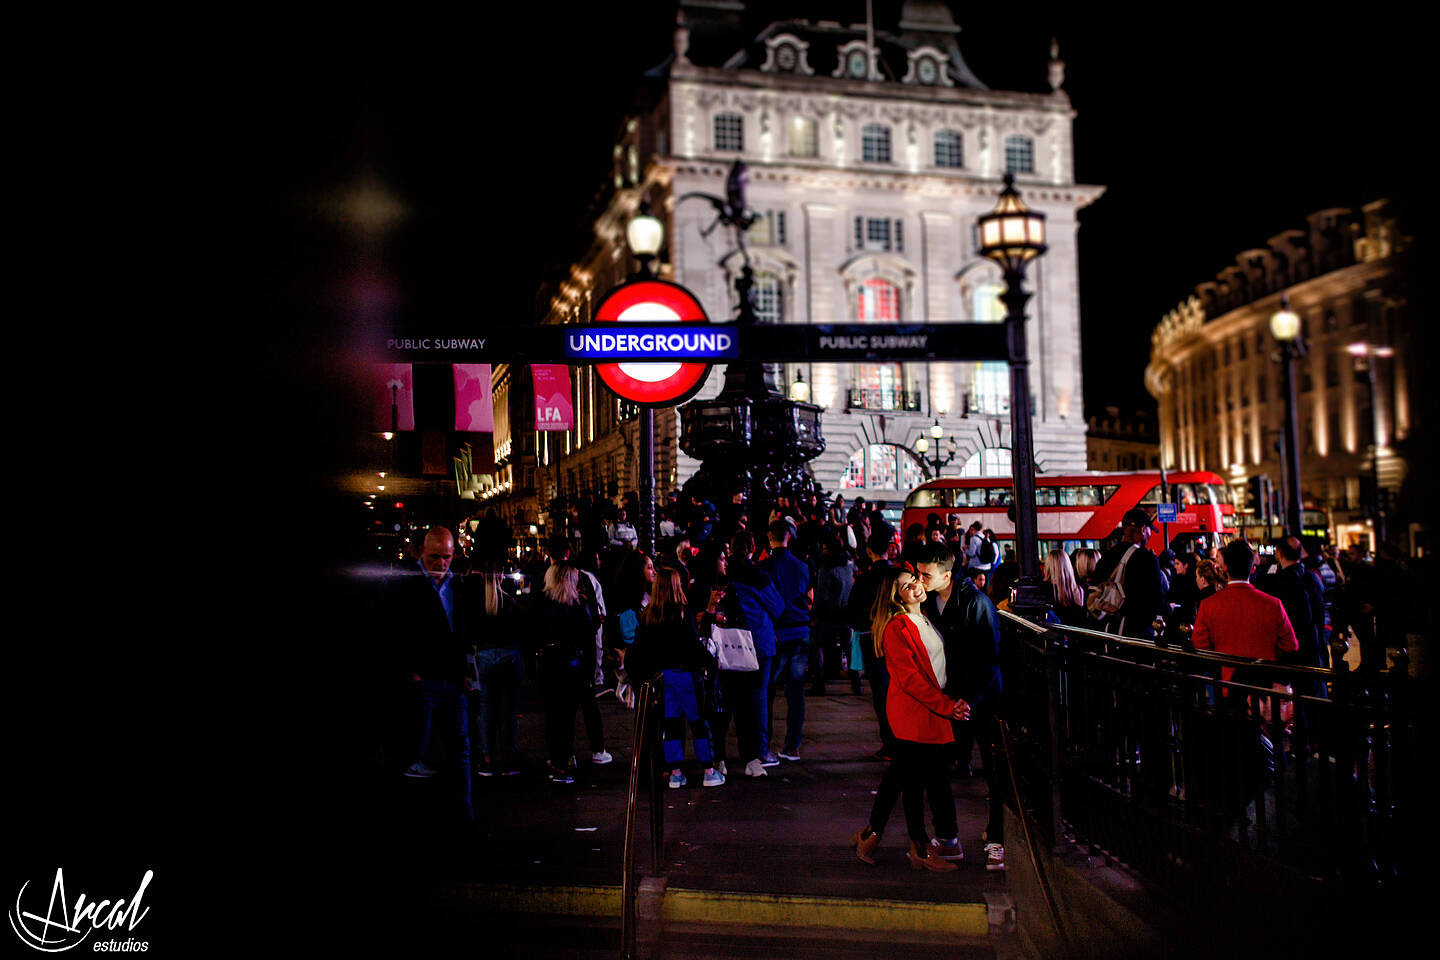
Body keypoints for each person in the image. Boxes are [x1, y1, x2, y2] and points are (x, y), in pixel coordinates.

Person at [848, 565, 968, 872]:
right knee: (911, 780)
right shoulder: (897, 627)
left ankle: (873, 835)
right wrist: (946, 706)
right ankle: (918, 847)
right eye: (906, 586)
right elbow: (911, 680)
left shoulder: (922, 618)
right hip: (914, 712)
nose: (916, 586)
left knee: (901, 777)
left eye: (914, 580)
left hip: (927, 710)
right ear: (896, 598)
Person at [915, 545, 1006, 872]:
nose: (920, 580)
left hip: (979, 700)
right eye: (919, 574)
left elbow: (989, 658)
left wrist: (968, 698)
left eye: (926, 575)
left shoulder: (975, 603)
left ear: (947, 575)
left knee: (995, 772)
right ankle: (949, 837)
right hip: (951, 699)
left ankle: (998, 838)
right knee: (936, 766)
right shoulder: (929, 602)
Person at [387, 526, 473, 821]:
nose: (441, 563)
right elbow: (393, 630)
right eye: (435, 557)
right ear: (422, 553)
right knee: (412, 748)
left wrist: (465, 672)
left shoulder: (456, 586)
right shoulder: (405, 585)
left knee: (459, 750)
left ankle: (462, 815)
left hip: (450, 680)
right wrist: (409, 671)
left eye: (446, 557)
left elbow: (462, 631)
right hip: (423, 680)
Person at [626, 568, 724, 788]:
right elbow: (692, 645)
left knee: (670, 725)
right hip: (686, 675)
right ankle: (708, 771)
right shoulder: (682, 611)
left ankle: (675, 773)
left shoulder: (649, 614)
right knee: (698, 723)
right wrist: (710, 661)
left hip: (663, 677)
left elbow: (641, 648)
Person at [715, 531, 784, 778]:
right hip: (759, 643)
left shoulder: (724, 575)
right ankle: (758, 752)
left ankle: (718, 756)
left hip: (726, 643)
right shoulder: (758, 576)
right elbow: (778, 607)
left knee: (725, 700)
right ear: (753, 548)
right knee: (757, 697)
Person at [1192, 539, 1299, 685]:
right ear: (1252, 567)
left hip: (1226, 684)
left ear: (1225, 567)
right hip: (1265, 686)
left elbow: (1200, 647)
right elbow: (1290, 646)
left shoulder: (1208, 605)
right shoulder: (1273, 604)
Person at [534, 563, 602, 784]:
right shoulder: (577, 606)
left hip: (549, 665)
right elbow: (588, 636)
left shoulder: (544, 604)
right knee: (566, 718)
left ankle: (557, 760)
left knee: (554, 716)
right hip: (571, 666)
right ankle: (562, 763)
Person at [846, 530, 900, 759]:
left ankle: (890, 742)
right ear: (890, 549)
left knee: (881, 692)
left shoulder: (864, 580)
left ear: (869, 551)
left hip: (872, 640)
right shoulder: (899, 576)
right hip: (900, 638)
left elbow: (852, 614)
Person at [760, 520, 812, 762]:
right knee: (796, 692)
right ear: (788, 537)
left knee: (767, 690)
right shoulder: (802, 566)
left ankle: (765, 744)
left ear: (769, 537)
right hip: (800, 629)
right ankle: (793, 745)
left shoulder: (764, 567)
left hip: (777, 632)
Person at [468, 563, 523, 777]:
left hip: (484, 656)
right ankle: (507, 756)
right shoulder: (509, 602)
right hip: (508, 656)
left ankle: (487, 758)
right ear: (500, 577)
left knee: (486, 709)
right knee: (508, 711)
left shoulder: (477, 603)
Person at [1090, 509, 1164, 638]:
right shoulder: (1147, 558)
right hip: (1136, 632)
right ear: (1143, 529)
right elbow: (1156, 599)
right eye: (1149, 531)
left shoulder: (1107, 555)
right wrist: (1168, 608)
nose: (1150, 535)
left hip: (1107, 629)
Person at [811, 536, 856, 695]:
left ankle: (819, 683)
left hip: (829, 615)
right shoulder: (849, 565)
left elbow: (822, 596)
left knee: (816, 645)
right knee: (848, 647)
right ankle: (856, 681)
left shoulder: (826, 570)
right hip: (846, 613)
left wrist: (814, 615)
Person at [1043, 548, 1087, 627]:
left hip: (1053, 633)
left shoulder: (1044, 589)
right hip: (1076, 633)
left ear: (1048, 566)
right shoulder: (1080, 590)